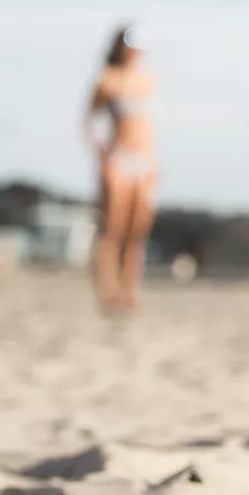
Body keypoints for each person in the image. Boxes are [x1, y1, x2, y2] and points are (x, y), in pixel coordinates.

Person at [83, 24, 158, 315]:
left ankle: (129, 290)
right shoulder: (107, 80)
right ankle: (107, 291)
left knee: (136, 231)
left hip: (144, 162)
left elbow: (149, 127)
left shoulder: (147, 82)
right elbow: (90, 123)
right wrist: (103, 159)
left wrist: (154, 164)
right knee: (111, 229)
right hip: (119, 160)